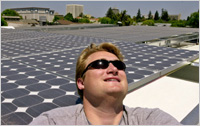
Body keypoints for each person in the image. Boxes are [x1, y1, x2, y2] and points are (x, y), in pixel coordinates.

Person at [29, 42, 181, 125]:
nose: (113, 69)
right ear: (81, 83)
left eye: (119, 65)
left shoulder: (151, 119)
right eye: (101, 64)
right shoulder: (54, 121)